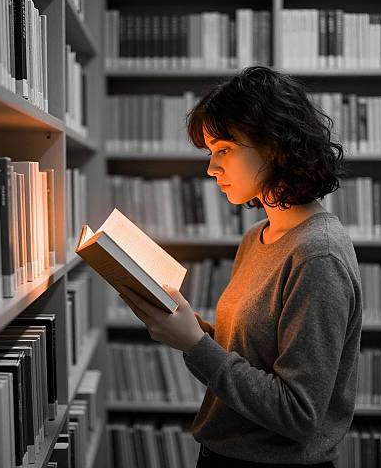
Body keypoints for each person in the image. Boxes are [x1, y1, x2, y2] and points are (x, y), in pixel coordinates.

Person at [119, 66, 362, 468]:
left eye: (224, 150)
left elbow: (299, 413)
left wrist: (196, 346)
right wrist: (192, 329)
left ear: (273, 146)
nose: (211, 168)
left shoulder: (318, 255)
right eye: (210, 153)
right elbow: (253, 358)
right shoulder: (256, 237)